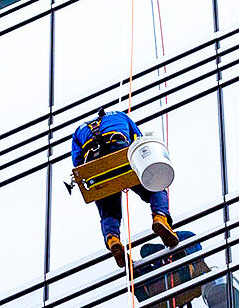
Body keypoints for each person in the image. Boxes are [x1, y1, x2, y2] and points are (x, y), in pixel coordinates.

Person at [72, 109, 176, 267]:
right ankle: (160, 218)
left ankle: (113, 239)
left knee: (109, 211)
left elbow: (77, 161)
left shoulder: (78, 130)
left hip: (96, 166)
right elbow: (139, 142)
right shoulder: (120, 115)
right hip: (120, 153)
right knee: (156, 188)